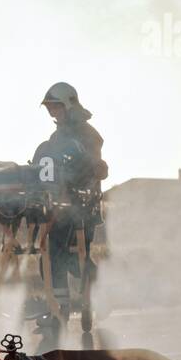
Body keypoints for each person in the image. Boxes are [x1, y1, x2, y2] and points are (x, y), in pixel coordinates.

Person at [30, 82, 106, 320]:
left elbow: (92, 169)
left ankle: (103, 292)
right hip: (59, 207)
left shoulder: (88, 134)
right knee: (52, 257)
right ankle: (60, 309)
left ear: (69, 105)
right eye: (49, 108)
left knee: (74, 259)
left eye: (56, 107)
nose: (52, 112)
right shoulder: (56, 136)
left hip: (83, 208)